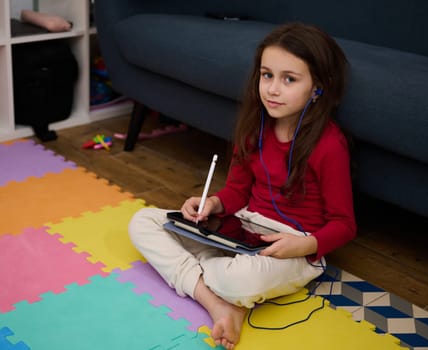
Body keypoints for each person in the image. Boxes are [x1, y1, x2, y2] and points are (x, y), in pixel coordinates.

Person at [128, 22, 357, 349]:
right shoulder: (253, 127)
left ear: (318, 87)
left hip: (294, 248)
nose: (273, 89)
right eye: (267, 75)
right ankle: (218, 303)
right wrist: (214, 205)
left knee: (235, 279)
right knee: (143, 221)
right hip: (243, 229)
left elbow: (344, 226)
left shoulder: (329, 145)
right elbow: (236, 191)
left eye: (288, 79)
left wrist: (302, 246)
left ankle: (209, 282)